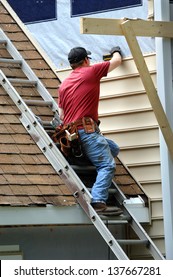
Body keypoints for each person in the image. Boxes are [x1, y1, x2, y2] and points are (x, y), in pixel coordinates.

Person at [58, 46, 123, 214]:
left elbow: (61, 114)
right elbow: (117, 61)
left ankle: (85, 157)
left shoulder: (63, 84)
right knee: (107, 165)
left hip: (72, 135)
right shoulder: (91, 71)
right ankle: (98, 199)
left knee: (114, 148)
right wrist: (116, 50)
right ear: (86, 60)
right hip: (87, 132)